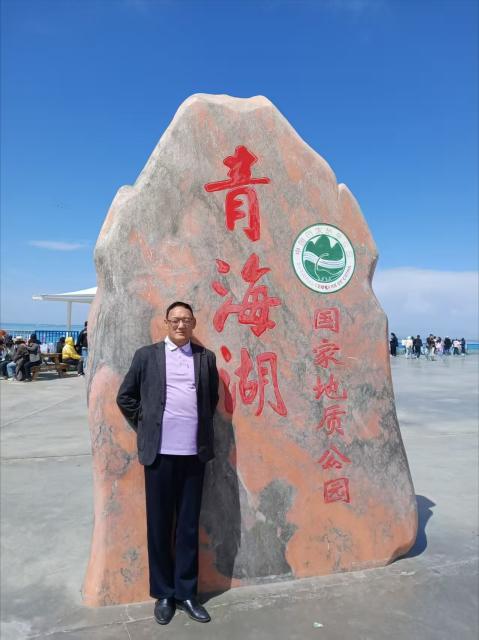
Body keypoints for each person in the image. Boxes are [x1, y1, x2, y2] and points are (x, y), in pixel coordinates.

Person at [117, 301, 219, 626]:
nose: (180, 325)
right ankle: (163, 594)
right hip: (159, 455)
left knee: (187, 527)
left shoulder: (205, 358)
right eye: (175, 319)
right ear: (166, 322)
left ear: (193, 323)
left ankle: (186, 593)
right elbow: (125, 396)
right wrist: (146, 423)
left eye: (186, 320)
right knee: (159, 525)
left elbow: (211, 399)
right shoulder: (146, 356)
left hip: (193, 454)